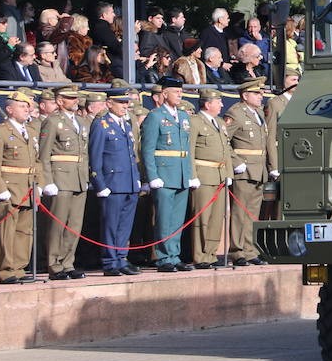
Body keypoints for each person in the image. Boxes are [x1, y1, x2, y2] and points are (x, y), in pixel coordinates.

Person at [140, 76, 197, 272]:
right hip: (164, 173)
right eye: (175, 92)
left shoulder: (183, 116)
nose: (180, 95)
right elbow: (147, 149)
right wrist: (152, 175)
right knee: (164, 218)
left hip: (180, 173)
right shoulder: (155, 116)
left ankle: (174, 254)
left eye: (181, 92)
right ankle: (164, 257)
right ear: (164, 94)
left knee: (177, 219)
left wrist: (189, 174)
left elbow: (187, 149)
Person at [0, 91, 40, 284]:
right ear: (9, 109)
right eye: (22, 106)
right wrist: (0, 188)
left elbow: (37, 160)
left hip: (27, 188)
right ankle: (6, 270)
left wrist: (38, 184)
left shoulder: (31, 131)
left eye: (28, 106)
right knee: (6, 233)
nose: (27, 109)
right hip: (9, 188)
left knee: (25, 232)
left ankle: (19, 267)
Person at [38, 85, 90, 280]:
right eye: (70, 98)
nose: (75, 101)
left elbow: (84, 153)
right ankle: (54, 264)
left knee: (74, 225)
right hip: (60, 177)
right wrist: (47, 181)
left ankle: (68, 263)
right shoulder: (52, 122)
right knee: (57, 225)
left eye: (76, 97)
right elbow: (44, 155)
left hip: (78, 177)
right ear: (60, 101)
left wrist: (85, 176)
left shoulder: (81, 122)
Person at [89, 89, 142, 276]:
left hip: (128, 182)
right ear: (109, 103)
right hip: (112, 183)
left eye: (126, 103)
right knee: (111, 225)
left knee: (124, 225)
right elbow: (95, 157)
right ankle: (110, 261)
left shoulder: (126, 125)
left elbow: (131, 154)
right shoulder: (101, 125)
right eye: (121, 103)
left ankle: (121, 258)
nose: (125, 107)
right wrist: (99, 184)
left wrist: (136, 180)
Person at [227, 79, 276, 265]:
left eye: (260, 93)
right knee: (240, 213)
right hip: (245, 169)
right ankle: (237, 251)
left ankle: (249, 250)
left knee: (252, 213)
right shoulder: (235, 113)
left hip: (259, 169)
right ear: (245, 95)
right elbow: (225, 140)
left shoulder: (257, 114)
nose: (260, 96)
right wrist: (236, 162)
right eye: (256, 93)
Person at [188, 87, 233, 268]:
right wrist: (192, 175)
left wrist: (228, 173)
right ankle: (200, 256)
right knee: (202, 218)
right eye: (218, 102)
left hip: (220, 175)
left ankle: (211, 253)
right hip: (204, 175)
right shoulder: (195, 122)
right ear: (207, 104)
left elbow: (226, 150)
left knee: (217, 218)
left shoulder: (219, 122)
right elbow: (190, 150)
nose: (222, 105)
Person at [88, 3, 125, 78]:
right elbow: (115, 47)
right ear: (104, 15)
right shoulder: (102, 28)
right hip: (110, 64)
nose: (114, 15)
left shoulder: (101, 26)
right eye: (112, 12)